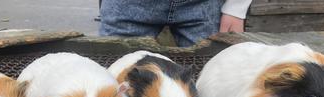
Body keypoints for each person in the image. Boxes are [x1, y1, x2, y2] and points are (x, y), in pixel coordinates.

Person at [99, 0, 252, 47]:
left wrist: (236, 7)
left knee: (211, 91)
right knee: (116, 90)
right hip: (129, 5)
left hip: (203, 5)